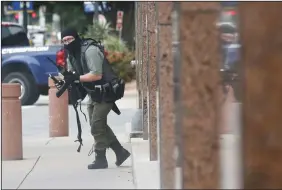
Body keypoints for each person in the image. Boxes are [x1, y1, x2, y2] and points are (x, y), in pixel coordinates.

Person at [61, 28, 130, 170]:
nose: (67, 43)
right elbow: (73, 73)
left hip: (107, 91)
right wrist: (67, 78)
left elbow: (97, 75)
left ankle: (101, 158)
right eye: (64, 41)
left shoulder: (89, 50)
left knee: (96, 126)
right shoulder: (71, 54)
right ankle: (120, 152)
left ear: (76, 38)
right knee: (99, 125)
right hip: (94, 93)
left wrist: (76, 78)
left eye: (69, 39)